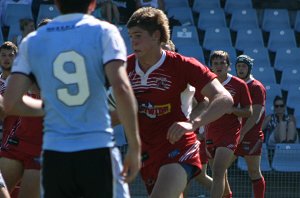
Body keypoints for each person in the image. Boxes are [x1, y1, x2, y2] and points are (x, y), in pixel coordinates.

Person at [2, 0, 141, 198]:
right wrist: (134, 146)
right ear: (92, 3)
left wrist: (52, 106)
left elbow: (10, 102)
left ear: (57, 3)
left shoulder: (33, 40)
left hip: (54, 153)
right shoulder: (104, 31)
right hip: (97, 147)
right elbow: (121, 87)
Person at [126, 7, 233, 197]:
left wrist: (193, 123)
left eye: (138, 35)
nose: (132, 41)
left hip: (178, 146)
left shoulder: (183, 65)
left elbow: (224, 99)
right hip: (147, 151)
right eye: (130, 36)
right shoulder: (125, 67)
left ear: (156, 36)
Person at [202, 50, 252, 198]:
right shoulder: (206, 83)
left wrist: (231, 110)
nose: (219, 66)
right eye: (215, 63)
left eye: (222, 63)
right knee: (221, 176)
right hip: (210, 132)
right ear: (210, 66)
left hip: (229, 134)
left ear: (229, 66)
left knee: (217, 172)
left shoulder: (239, 84)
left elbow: (248, 112)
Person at [234, 54, 267, 198]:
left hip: (250, 136)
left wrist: (242, 133)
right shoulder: (234, 84)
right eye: (239, 66)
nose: (241, 69)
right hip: (233, 135)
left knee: (254, 172)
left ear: (249, 68)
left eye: (244, 66)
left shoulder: (256, 87)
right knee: (219, 168)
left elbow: (256, 115)